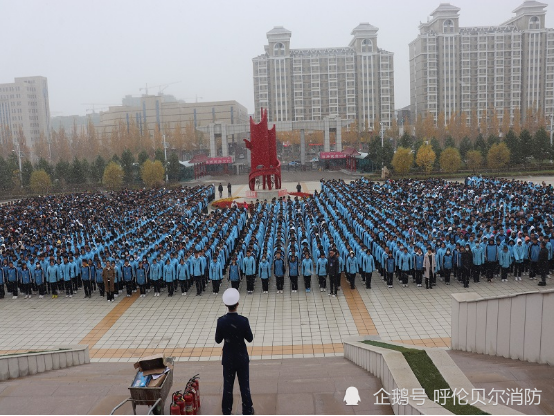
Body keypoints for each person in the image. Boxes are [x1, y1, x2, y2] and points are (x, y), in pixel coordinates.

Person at [215, 288, 254, 415]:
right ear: (237, 304)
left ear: (226, 305)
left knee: (228, 386)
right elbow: (249, 338)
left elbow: (218, 340)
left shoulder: (221, 321)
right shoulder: (243, 320)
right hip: (241, 357)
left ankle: (226, 410)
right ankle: (247, 409)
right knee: (244, 385)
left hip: (228, 358)